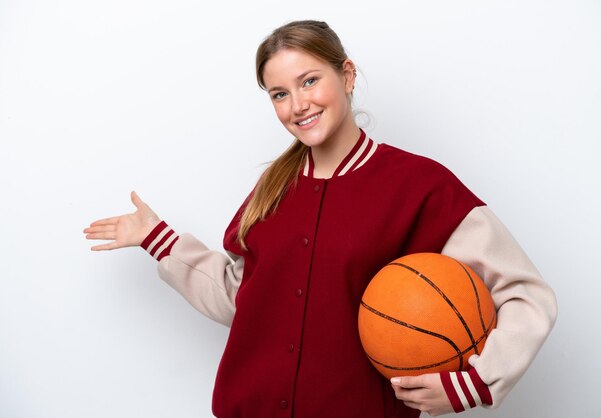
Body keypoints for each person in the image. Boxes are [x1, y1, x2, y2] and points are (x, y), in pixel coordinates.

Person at [83, 20, 557, 418]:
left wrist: (473, 382)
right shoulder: (272, 187)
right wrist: (157, 238)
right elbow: (242, 297)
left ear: (346, 75)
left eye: (309, 81)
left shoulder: (419, 185)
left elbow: (524, 292)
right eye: (279, 94)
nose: (297, 105)